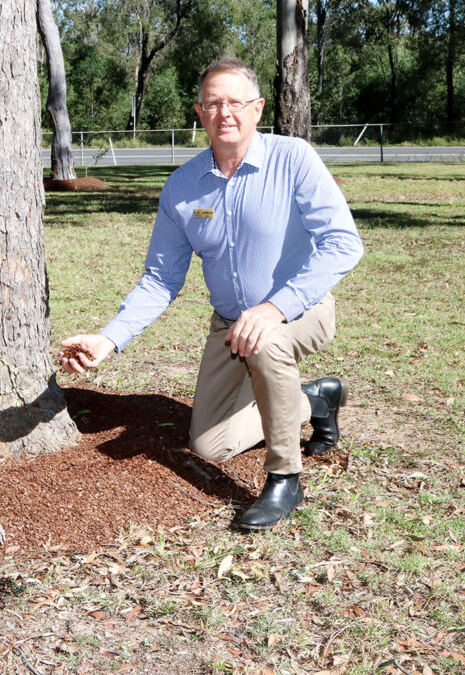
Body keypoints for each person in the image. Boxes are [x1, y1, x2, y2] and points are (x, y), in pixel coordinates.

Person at [60, 57, 364, 530]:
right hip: (229, 327)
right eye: (214, 103)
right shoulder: (182, 188)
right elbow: (161, 279)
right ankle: (314, 400)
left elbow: (343, 244)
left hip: (300, 311)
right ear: (199, 112)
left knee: (269, 342)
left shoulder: (294, 158)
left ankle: (285, 478)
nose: (226, 112)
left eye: (236, 102)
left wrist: (273, 308)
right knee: (211, 445)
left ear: (258, 108)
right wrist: (109, 338)